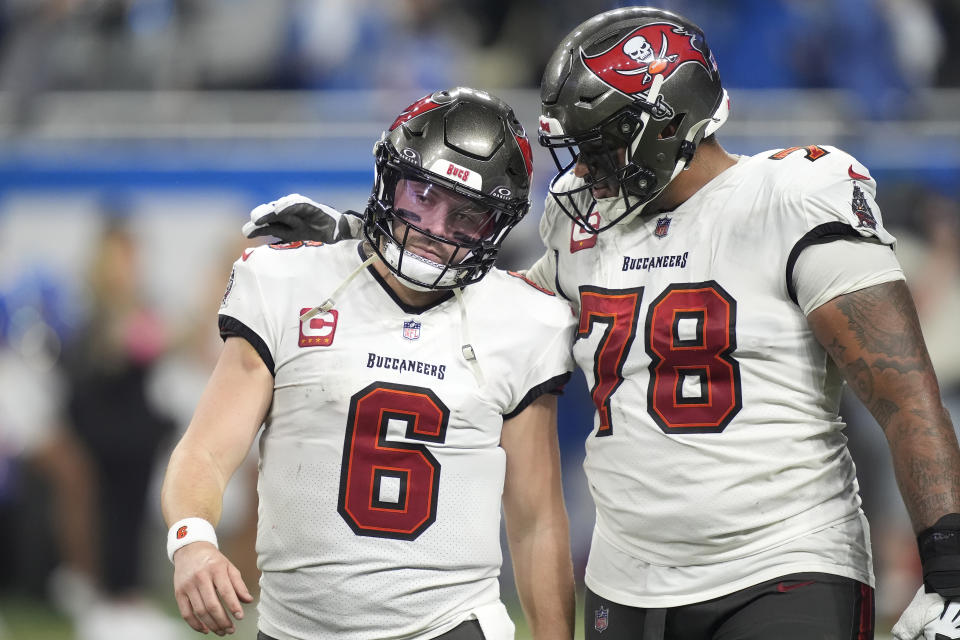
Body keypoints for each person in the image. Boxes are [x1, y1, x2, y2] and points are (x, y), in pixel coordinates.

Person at [247, 8, 960, 640]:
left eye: (603, 141)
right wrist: (359, 238)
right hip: (627, 581)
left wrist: (949, 566)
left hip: (784, 559)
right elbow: (489, 310)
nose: (586, 167)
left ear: (670, 119)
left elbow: (905, 392)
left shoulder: (795, 194)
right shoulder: (576, 221)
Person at [162, 86, 577, 640]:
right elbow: (206, 451)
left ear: (496, 229)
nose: (434, 229)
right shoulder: (290, 283)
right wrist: (191, 542)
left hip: (450, 625)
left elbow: (535, 522)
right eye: (422, 196)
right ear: (388, 180)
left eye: (465, 217)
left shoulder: (520, 320)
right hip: (294, 629)